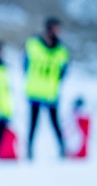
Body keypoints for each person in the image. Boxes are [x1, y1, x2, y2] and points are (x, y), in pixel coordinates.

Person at [23, 17, 70, 160]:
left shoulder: (62, 50)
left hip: (51, 92)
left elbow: (64, 71)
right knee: (33, 124)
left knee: (55, 123)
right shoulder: (33, 45)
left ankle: (62, 150)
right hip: (35, 91)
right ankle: (29, 152)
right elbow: (25, 65)